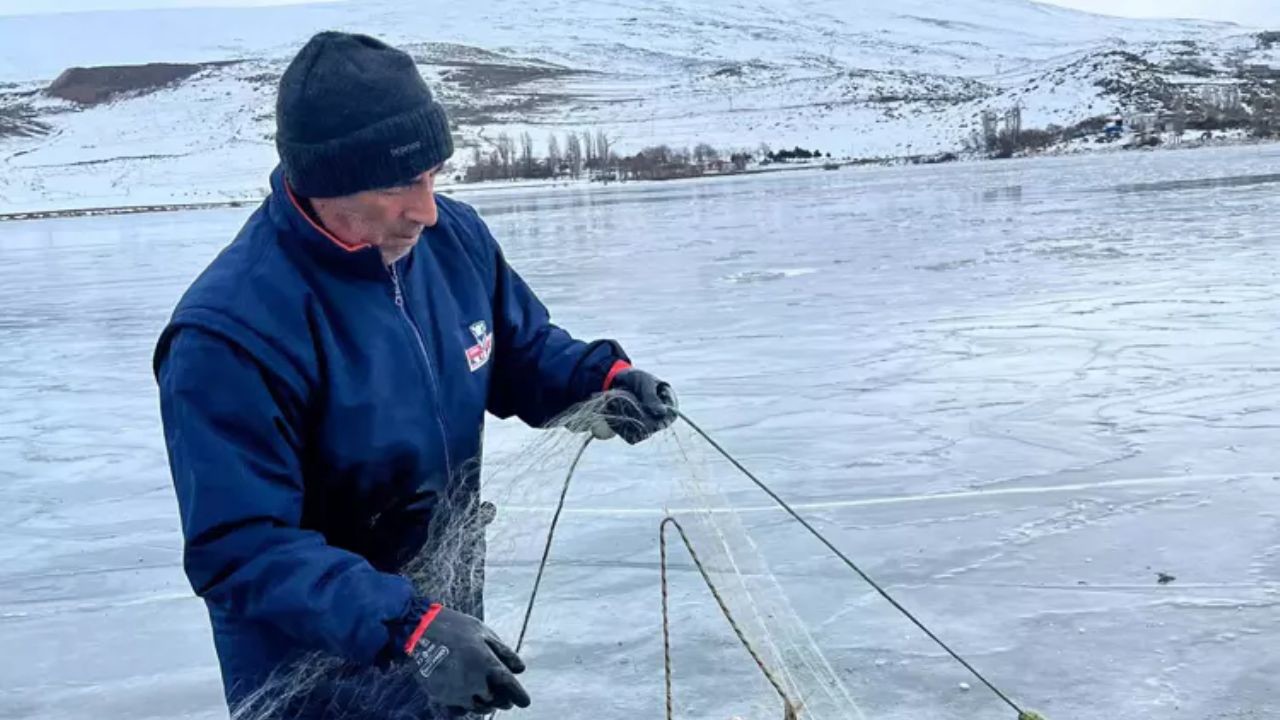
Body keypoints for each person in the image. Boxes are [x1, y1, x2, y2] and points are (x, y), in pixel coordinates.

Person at [153, 30, 677, 719]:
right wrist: (405, 628)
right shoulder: (231, 334)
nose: (425, 209)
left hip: (446, 646)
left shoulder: (453, 241)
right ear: (325, 181)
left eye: (432, 176)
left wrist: (596, 379)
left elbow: (515, 351)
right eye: (400, 183)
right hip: (323, 685)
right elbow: (243, 549)